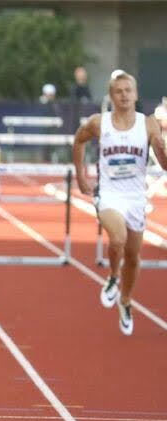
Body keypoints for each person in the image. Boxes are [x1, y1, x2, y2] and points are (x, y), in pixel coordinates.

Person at [72, 70, 167, 336]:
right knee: (118, 239)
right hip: (109, 194)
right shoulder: (98, 123)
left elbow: (164, 162)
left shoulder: (147, 124)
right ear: (111, 96)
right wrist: (81, 176)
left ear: (135, 94)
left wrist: (161, 150)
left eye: (128, 90)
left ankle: (125, 301)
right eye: (119, 91)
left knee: (134, 258)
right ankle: (113, 276)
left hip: (136, 196)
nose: (124, 95)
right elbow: (78, 140)